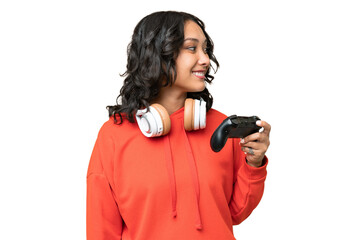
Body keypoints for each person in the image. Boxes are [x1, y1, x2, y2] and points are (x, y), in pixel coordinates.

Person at [86, 11, 271, 240]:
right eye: (192, 48)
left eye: (205, 50)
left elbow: (236, 212)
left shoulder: (220, 128)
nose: (204, 59)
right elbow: (101, 231)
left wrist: (254, 164)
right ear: (157, 54)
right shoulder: (113, 136)